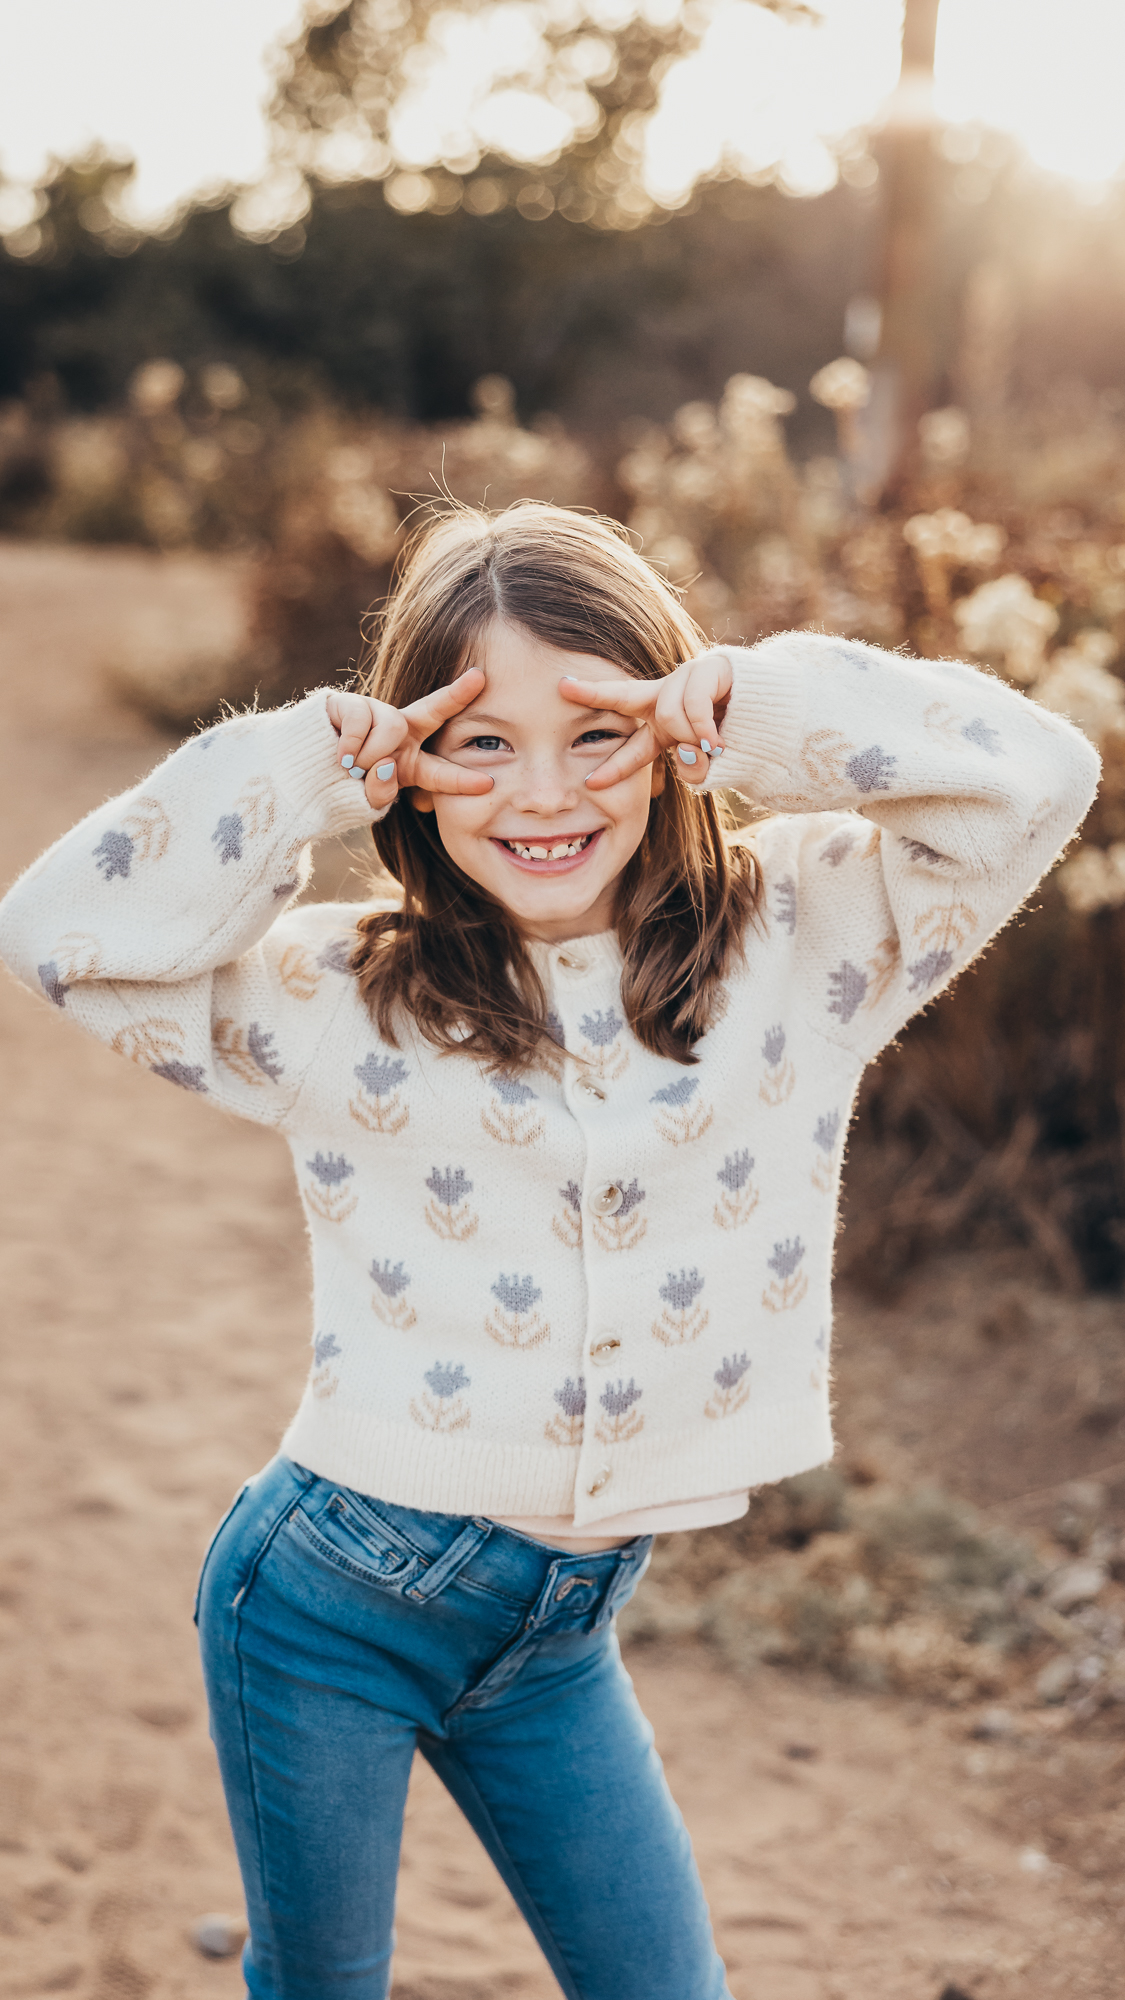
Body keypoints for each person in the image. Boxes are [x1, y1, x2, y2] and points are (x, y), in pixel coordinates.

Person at [0, 502, 1098, 1999]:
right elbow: (63, 932)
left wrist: (760, 705)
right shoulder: (346, 994)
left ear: (671, 734)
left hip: (556, 1641)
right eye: (478, 743)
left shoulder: (800, 942)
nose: (542, 795)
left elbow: (1041, 775)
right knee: (321, 1984)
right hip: (323, 1606)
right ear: (411, 767)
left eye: (596, 733)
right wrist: (305, 774)